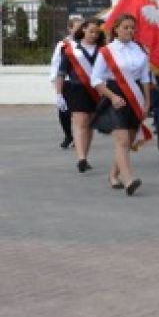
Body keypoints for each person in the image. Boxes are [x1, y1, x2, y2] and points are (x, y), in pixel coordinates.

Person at [91, 14, 151, 196]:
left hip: (135, 96)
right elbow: (95, 79)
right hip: (114, 96)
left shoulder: (139, 49)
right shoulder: (106, 51)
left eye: (132, 28)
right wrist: (112, 96)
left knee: (129, 141)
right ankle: (129, 180)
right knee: (122, 140)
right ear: (116, 29)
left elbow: (146, 77)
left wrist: (147, 102)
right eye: (126, 27)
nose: (130, 31)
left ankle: (113, 175)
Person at [55, 18, 105, 172]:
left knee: (89, 123)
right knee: (81, 121)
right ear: (83, 29)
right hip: (76, 89)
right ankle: (81, 158)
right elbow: (61, 72)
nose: (94, 35)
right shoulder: (70, 48)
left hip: (96, 90)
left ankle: (85, 156)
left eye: (97, 32)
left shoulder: (103, 49)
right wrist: (58, 94)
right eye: (91, 31)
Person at [51, 18, 84, 149]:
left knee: (79, 113)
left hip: (81, 83)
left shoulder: (87, 44)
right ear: (70, 29)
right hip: (66, 82)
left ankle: (78, 137)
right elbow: (56, 65)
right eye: (77, 27)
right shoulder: (63, 45)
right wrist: (56, 85)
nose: (80, 30)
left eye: (82, 27)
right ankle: (68, 135)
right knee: (64, 111)